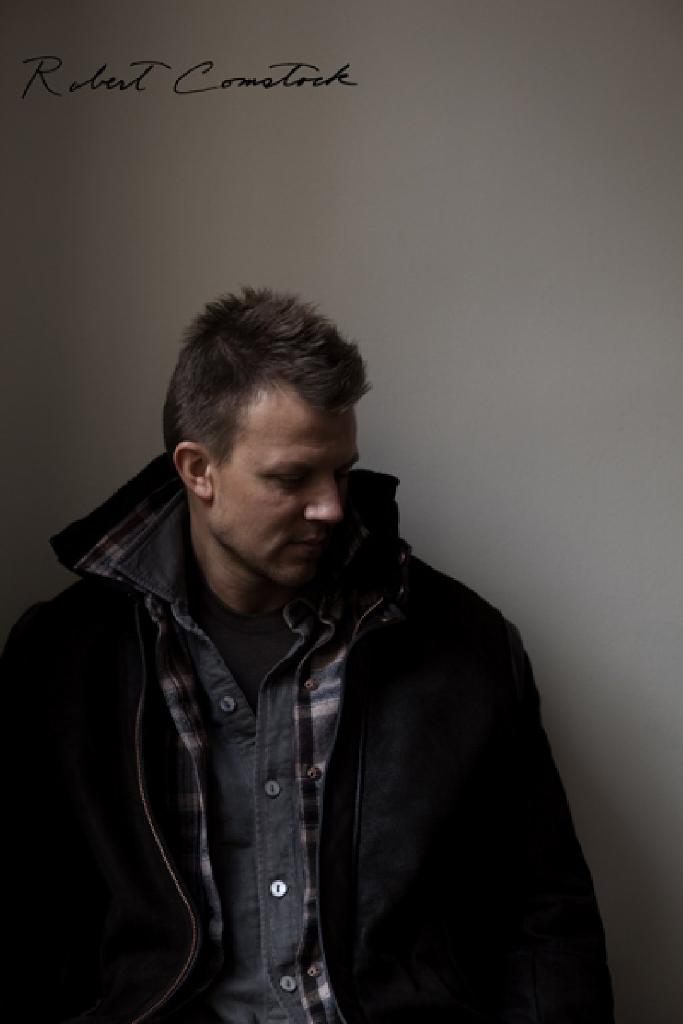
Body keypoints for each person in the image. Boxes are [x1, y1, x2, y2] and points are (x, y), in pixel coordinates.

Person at [3, 287, 614, 1024]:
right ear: (198, 470)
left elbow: (543, 914)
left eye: (341, 473)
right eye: (291, 478)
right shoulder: (64, 659)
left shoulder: (461, 644)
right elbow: (27, 913)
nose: (330, 507)